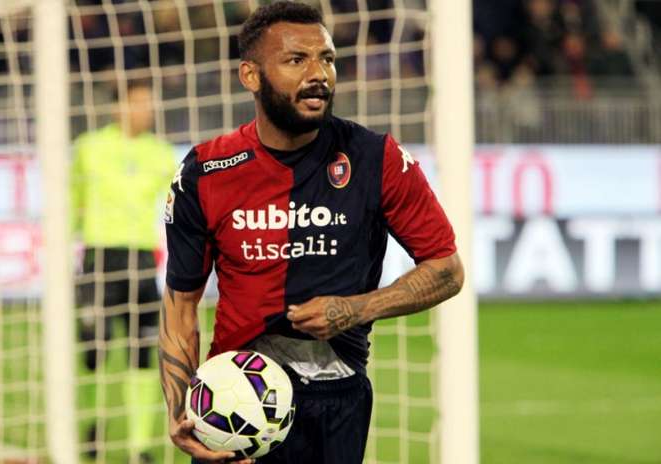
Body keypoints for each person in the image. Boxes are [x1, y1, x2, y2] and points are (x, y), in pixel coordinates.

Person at [158, 2, 464, 464]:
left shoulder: (374, 158)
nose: (318, 73)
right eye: (296, 60)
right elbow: (181, 305)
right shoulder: (206, 172)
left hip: (339, 395)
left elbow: (447, 269)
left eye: (327, 58)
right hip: (235, 400)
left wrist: (356, 309)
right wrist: (181, 411)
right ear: (251, 76)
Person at [71, 78, 175, 462]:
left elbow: (175, 207)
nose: (146, 110)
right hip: (99, 259)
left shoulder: (161, 154)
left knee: (143, 354)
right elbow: (73, 201)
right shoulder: (89, 148)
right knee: (92, 352)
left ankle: (140, 447)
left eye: (149, 103)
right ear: (118, 107)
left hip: (139, 261)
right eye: (138, 102)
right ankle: (92, 428)